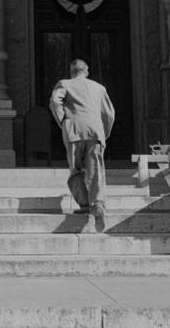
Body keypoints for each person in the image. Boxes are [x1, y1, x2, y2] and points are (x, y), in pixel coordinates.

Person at [49, 58, 115, 229]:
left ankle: (85, 205)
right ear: (87, 71)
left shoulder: (64, 84)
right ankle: (98, 203)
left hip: (74, 130)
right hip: (95, 130)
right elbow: (109, 113)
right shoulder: (99, 88)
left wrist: (63, 119)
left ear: (72, 72)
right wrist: (104, 132)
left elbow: (55, 101)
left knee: (76, 169)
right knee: (96, 168)